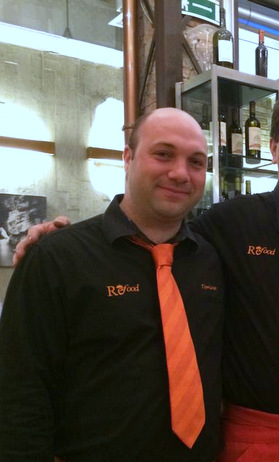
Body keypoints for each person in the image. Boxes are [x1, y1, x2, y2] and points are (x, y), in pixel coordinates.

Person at [12, 86, 279, 462]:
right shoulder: (227, 223)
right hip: (251, 436)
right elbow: (150, 233)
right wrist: (62, 242)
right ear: (273, 147)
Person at [0, 108, 225, 461]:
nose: (180, 173)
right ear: (128, 157)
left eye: (195, 162)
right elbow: (19, 390)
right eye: (163, 154)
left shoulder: (211, 260)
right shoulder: (57, 258)